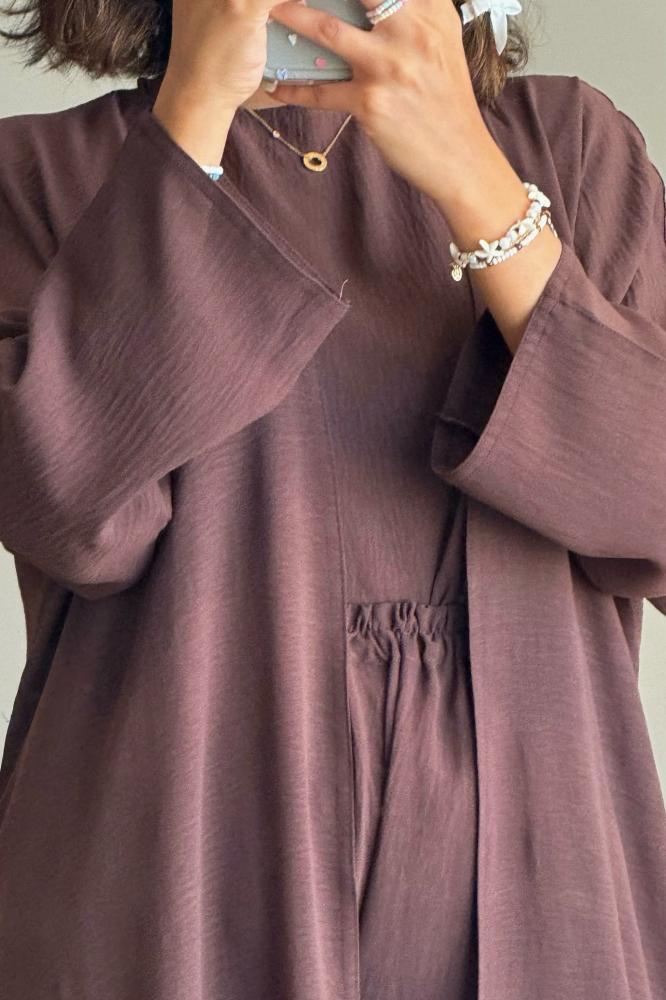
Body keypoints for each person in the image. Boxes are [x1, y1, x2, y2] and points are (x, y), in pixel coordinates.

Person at [0, 0, 665, 998]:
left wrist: (477, 183)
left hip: (550, 884)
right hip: (173, 886)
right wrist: (190, 125)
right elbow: (67, 501)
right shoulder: (43, 178)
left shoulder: (570, 150)